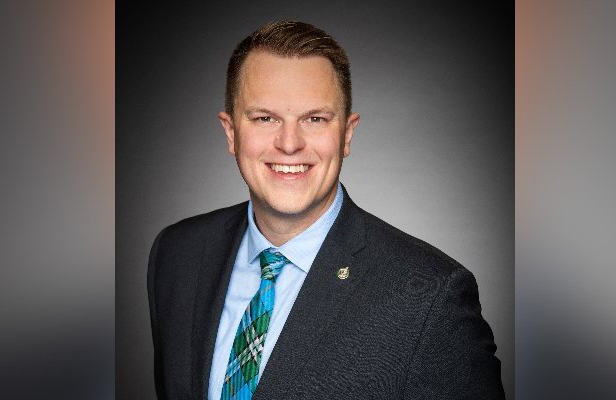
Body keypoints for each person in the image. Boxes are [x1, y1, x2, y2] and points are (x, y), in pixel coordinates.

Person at [148, 21, 505, 400]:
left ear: (346, 134)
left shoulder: (430, 297)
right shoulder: (177, 254)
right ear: (231, 132)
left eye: (315, 119)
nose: (289, 144)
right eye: (265, 118)